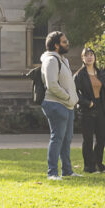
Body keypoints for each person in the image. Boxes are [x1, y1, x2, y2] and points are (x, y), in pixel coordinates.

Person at [39, 31, 77, 181]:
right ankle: (52, 173)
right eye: (64, 41)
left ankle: (67, 171)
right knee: (57, 138)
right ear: (56, 45)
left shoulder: (63, 60)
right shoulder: (51, 60)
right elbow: (52, 85)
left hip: (67, 105)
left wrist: (72, 99)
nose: (67, 43)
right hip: (56, 104)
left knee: (67, 139)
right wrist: (67, 97)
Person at [74, 46, 105, 174]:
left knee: (101, 138)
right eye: (86, 55)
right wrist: (87, 103)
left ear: (95, 57)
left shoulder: (100, 73)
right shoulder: (79, 75)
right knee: (88, 139)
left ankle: (98, 164)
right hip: (86, 109)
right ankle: (89, 167)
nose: (89, 57)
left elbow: (104, 92)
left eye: (91, 55)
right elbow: (74, 93)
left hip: (99, 107)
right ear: (82, 58)